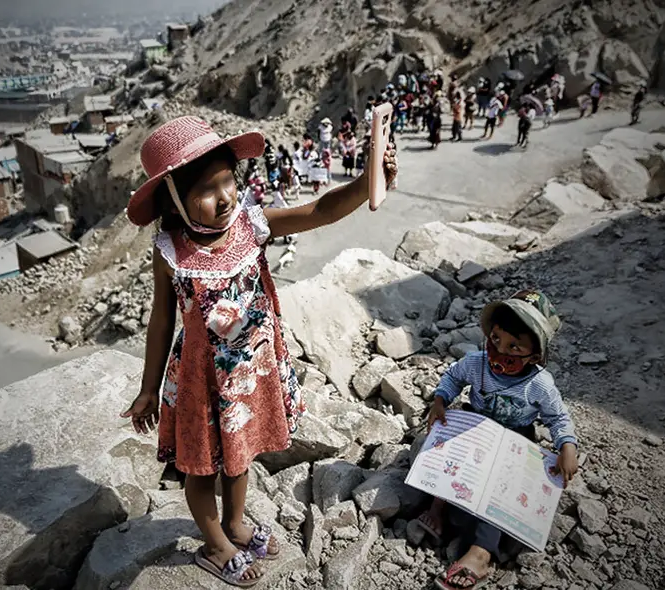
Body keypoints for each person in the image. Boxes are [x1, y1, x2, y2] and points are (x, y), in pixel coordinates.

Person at [121, 115, 398, 587]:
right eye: (206, 190)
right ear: (175, 199)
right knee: (202, 467)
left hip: (251, 372)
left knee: (241, 453)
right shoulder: (170, 250)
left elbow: (320, 210)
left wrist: (368, 179)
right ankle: (214, 545)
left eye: (228, 180)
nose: (225, 196)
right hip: (201, 384)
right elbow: (162, 318)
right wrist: (149, 388)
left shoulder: (252, 224)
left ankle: (234, 523)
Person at [413, 290, 578, 590]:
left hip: (515, 441)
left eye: (514, 346)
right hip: (475, 429)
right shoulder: (477, 363)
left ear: (536, 355)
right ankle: (438, 506)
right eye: (497, 339)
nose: (501, 350)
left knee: (499, 491)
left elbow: (558, 417)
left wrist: (567, 445)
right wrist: (440, 400)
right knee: (451, 462)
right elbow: (452, 378)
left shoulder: (539, 384)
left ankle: (481, 554)